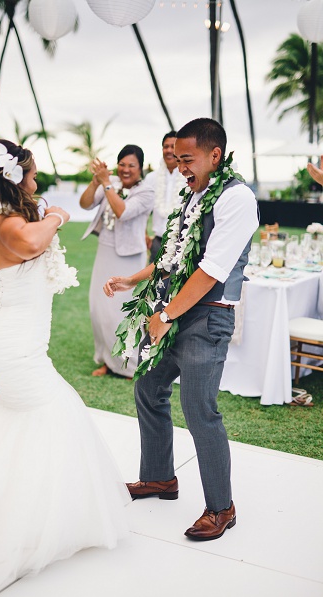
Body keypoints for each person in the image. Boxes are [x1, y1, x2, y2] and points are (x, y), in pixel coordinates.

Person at [0, 140, 129, 597]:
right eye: (33, 174)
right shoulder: (11, 223)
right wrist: (56, 215)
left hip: (9, 334)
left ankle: (5, 507)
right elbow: (35, 240)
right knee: (55, 412)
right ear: (16, 179)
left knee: (25, 418)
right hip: (13, 343)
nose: (37, 181)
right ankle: (20, 526)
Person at [104, 118, 258, 541]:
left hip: (206, 318)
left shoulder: (237, 198)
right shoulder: (196, 195)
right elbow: (175, 257)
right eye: (175, 158)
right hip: (178, 310)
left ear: (215, 155)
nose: (180, 167)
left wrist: (166, 315)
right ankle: (159, 478)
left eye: (186, 159)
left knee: (199, 409)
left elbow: (210, 269)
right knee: (148, 388)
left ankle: (221, 507)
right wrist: (133, 280)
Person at [80, 145, 155, 377]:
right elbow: (85, 204)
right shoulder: (108, 183)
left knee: (122, 312)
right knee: (99, 308)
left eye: (131, 165)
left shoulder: (146, 192)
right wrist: (96, 181)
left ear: (140, 168)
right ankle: (106, 359)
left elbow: (123, 211)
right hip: (105, 250)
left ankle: (130, 364)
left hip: (129, 258)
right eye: (122, 164)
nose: (125, 169)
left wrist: (107, 183)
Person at [145, 131, 183, 262]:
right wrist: (144, 235)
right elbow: (143, 210)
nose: (168, 150)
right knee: (153, 282)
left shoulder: (189, 177)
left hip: (181, 244)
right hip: (157, 242)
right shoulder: (151, 178)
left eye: (173, 146)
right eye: (166, 146)